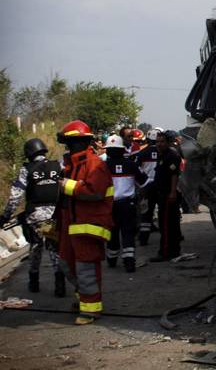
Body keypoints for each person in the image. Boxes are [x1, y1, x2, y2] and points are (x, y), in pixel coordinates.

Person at [56, 120, 114, 325]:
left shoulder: (94, 164)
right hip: (71, 226)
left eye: (70, 143)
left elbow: (95, 192)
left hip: (89, 226)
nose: (68, 147)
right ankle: (83, 299)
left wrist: (68, 186)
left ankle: (91, 309)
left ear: (81, 142)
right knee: (66, 263)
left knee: (85, 268)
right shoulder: (72, 165)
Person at [0, 138, 65, 296]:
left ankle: (34, 282)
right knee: (54, 249)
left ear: (29, 153)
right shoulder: (58, 165)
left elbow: (15, 196)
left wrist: (5, 216)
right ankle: (60, 284)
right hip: (55, 215)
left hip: (35, 217)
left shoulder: (26, 169)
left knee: (36, 247)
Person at [104, 135, 147, 272]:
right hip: (128, 205)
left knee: (112, 233)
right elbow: (144, 182)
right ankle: (129, 261)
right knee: (128, 233)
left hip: (109, 206)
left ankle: (111, 258)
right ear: (122, 150)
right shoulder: (131, 165)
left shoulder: (102, 167)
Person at [150, 131, 182, 262]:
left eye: (162, 141)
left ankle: (165, 252)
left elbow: (174, 174)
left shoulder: (172, 155)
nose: (159, 144)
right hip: (163, 193)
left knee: (166, 224)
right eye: (157, 141)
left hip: (168, 194)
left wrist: (172, 192)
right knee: (170, 223)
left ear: (168, 142)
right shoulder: (162, 155)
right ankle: (173, 250)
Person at [135, 128, 160, 246]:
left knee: (146, 213)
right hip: (161, 186)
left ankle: (144, 238)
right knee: (163, 211)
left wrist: (141, 185)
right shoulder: (164, 152)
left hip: (147, 187)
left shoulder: (142, 153)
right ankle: (167, 236)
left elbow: (137, 169)